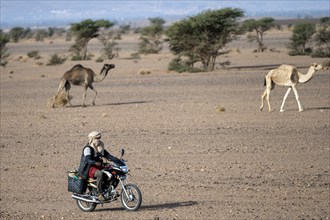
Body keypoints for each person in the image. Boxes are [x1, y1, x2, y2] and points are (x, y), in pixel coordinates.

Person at [78, 131, 121, 201]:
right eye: (97, 138)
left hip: (98, 166)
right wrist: (95, 162)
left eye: (99, 138)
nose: (98, 140)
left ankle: (108, 189)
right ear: (92, 139)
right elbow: (88, 160)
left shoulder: (100, 148)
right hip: (89, 168)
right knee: (100, 174)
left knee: (112, 171)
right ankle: (99, 193)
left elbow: (108, 156)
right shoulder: (87, 149)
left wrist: (118, 160)